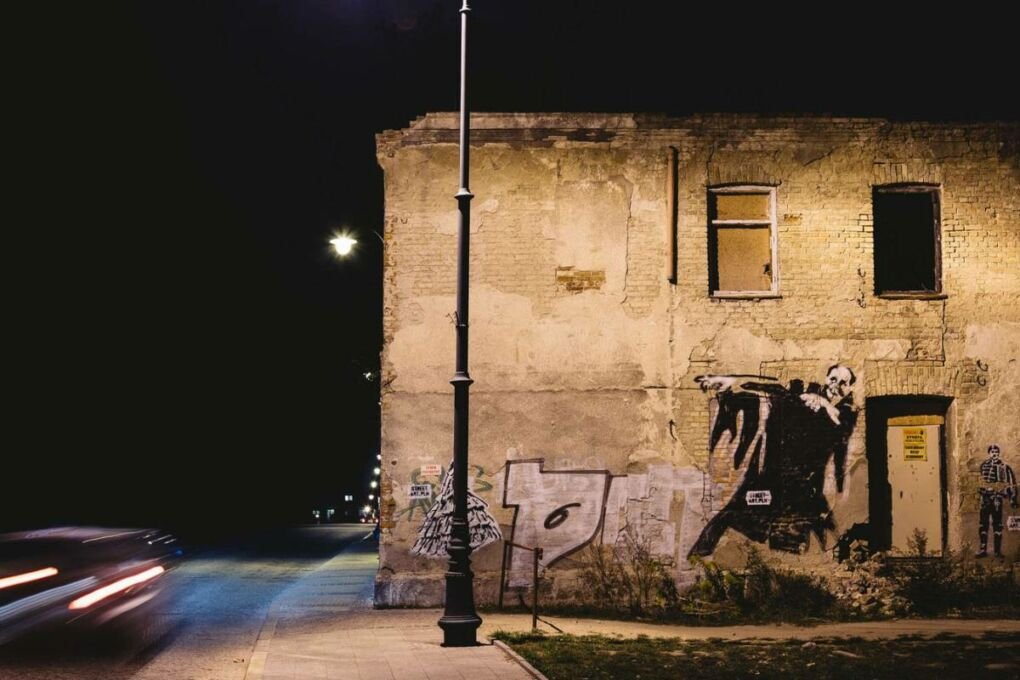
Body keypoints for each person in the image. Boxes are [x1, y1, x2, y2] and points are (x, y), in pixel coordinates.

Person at [689, 365, 858, 556]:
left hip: (802, 484)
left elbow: (839, 423)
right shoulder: (807, 395)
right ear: (826, 378)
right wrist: (732, 382)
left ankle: (797, 567)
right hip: (773, 473)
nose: (835, 386)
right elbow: (776, 391)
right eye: (833, 379)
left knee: (798, 530)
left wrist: (823, 404)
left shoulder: (847, 410)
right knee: (733, 513)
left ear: (849, 388)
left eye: (843, 383)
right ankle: (700, 555)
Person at [976, 444, 1017, 558]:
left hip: (996, 499)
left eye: (997, 452)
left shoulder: (1004, 467)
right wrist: (981, 491)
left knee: (997, 524)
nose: (995, 454)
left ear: (999, 454)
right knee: (983, 524)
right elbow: (977, 481)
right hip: (985, 499)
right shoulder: (983, 465)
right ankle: (983, 549)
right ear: (989, 453)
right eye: (993, 452)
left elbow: (1011, 482)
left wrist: (1012, 498)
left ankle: (997, 551)